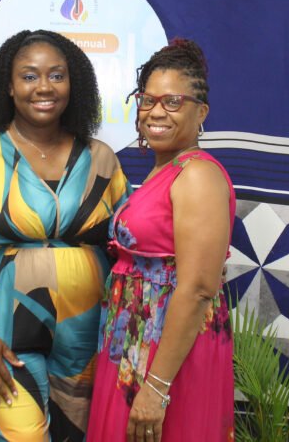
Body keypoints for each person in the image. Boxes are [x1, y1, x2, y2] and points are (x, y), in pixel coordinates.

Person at [0, 30, 129, 441]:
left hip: (87, 340)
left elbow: (123, 246)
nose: (44, 87)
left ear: (74, 84)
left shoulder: (100, 158)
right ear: (9, 87)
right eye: (29, 76)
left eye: (57, 75)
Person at [88, 39, 235, 442]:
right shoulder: (163, 171)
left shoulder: (198, 176)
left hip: (168, 360)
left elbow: (199, 288)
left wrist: (156, 387)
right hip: (135, 346)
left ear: (200, 112)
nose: (155, 111)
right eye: (147, 99)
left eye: (172, 101)